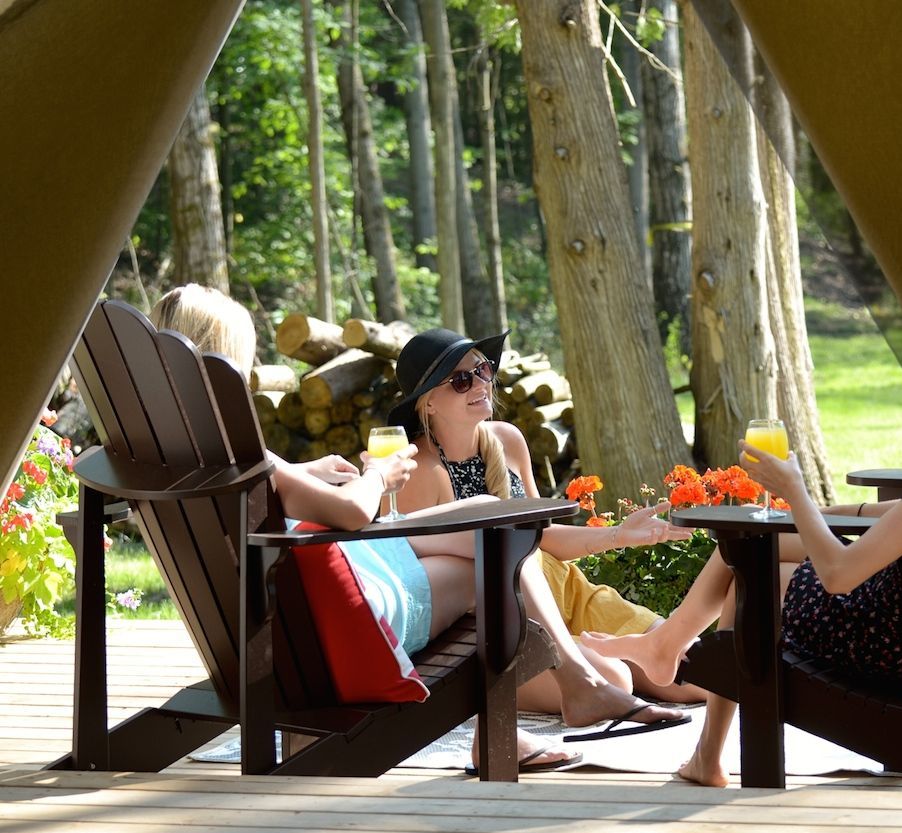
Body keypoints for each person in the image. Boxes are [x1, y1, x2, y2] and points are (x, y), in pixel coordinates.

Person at [151, 285, 689, 773]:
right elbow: (353, 514)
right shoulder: (238, 448)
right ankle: (562, 692)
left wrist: (306, 471)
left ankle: (570, 686)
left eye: (483, 372)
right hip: (340, 624)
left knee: (488, 513)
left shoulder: (172, 446)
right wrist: (377, 475)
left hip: (283, 623)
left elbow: (277, 486)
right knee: (496, 535)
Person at [582, 338, 902, 786]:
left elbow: (839, 575)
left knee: (749, 576)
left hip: (879, 641)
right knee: (754, 546)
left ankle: (696, 726)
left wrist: (794, 490)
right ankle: (670, 658)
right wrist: (814, 514)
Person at [387, 327, 708, 712]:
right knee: (616, 679)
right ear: (428, 405)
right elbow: (429, 584)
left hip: (565, 590)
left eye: (483, 370)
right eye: (460, 381)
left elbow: (542, 536)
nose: (480, 384)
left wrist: (619, 535)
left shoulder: (507, 441)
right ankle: (599, 659)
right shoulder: (421, 470)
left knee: (701, 673)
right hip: (500, 623)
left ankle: (619, 651)